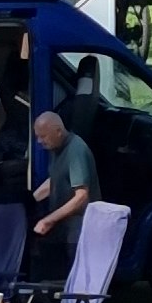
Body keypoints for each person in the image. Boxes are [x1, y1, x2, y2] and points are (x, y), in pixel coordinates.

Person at [29, 111, 97, 274]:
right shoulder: (57, 147)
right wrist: (28, 201)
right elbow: (55, 180)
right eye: (38, 136)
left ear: (58, 131)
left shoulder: (76, 151)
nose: (39, 141)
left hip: (78, 227)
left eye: (43, 136)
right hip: (63, 225)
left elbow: (81, 196)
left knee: (75, 275)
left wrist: (48, 220)